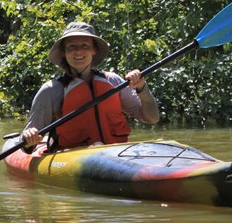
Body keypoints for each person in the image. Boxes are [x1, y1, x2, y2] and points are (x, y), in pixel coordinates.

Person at [21, 21, 160, 152]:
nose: (78, 51)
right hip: (72, 157)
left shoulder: (113, 81)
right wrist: (28, 137)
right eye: (71, 47)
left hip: (115, 153)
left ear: (94, 50)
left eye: (85, 45)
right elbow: (26, 147)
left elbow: (152, 118)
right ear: (64, 52)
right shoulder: (51, 90)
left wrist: (142, 87)